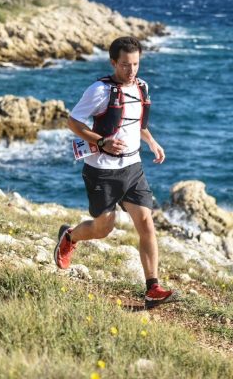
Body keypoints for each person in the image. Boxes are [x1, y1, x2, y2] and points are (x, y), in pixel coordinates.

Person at [54, 36, 174, 309]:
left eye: (135, 64)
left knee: (146, 224)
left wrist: (152, 142)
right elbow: (73, 122)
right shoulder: (99, 90)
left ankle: (152, 288)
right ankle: (69, 237)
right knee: (102, 229)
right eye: (124, 65)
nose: (131, 71)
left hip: (133, 168)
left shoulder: (142, 87)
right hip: (102, 171)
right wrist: (101, 141)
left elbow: (136, 124)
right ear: (113, 63)